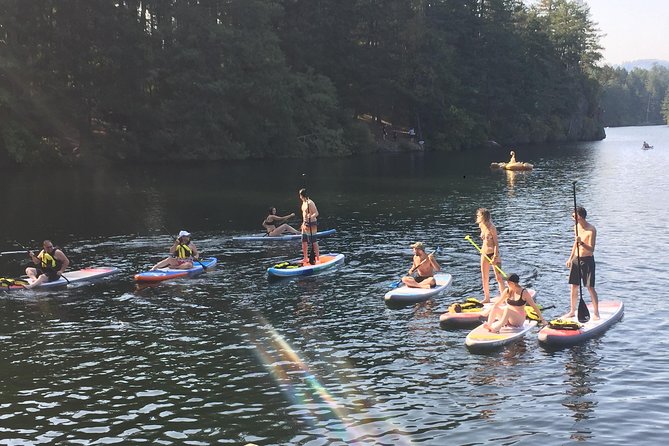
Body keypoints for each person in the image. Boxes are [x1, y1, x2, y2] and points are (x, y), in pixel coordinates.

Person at [565, 206, 599, 319]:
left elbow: (592, 249)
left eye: (574, 216)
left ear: (580, 216)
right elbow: (575, 243)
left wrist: (582, 243)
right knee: (573, 286)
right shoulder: (576, 227)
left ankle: (596, 313)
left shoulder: (591, 230)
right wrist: (570, 258)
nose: (572, 217)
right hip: (576, 259)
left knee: (590, 287)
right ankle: (572, 311)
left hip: (587, 260)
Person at [476, 208, 505, 303]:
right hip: (484, 253)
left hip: (493, 254)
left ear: (483, 216)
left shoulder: (492, 227)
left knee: (499, 277)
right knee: (484, 277)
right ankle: (487, 298)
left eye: (479, 215)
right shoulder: (481, 225)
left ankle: (504, 298)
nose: (477, 217)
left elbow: (496, 243)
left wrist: (495, 256)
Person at [299, 188, 320, 264]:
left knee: (313, 242)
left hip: (312, 224)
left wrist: (311, 216)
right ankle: (305, 258)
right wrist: (303, 223)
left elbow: (316, 213)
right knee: (304, 241)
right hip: (305, 224)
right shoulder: (303, 203)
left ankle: (317, 259)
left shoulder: (310, 203)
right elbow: (304, 214)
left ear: (301, 195)